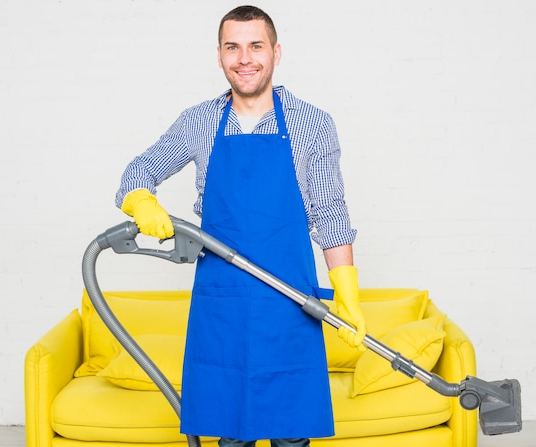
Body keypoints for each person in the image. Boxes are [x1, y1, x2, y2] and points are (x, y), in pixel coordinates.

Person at [116, 5, 367, 447]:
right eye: (233, 47)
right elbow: (138, 173)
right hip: (223, 304)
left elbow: (330, 215)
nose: (245, 58)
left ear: (276, 52)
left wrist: (346, 291)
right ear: (219, 55)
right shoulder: (199, 122)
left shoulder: (313, 124)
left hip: (291, 300)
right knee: (231, 435)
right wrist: (141, 201)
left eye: (256, 46)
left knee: (291, 434)